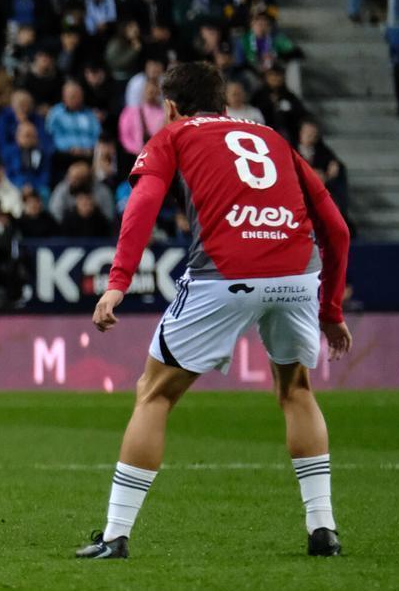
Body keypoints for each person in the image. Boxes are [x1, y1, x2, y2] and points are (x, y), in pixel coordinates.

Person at [75, 62, 350, 560]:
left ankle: (116, 534)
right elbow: (337, 227)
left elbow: (142, 206)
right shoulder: (273, 137)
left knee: (154, 393)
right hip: (296, 271)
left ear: (173, 107)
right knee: (296, 388)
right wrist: (330, 307)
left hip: (225, 272)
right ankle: (323, 529)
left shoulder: (173, 135)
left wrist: (117, 284)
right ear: (225, 105)